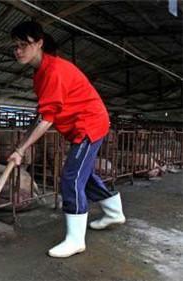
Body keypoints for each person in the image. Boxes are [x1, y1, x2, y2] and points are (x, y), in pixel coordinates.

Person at [7, 21, 126, 258]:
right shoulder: (40, 74)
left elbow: (47, 119)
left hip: (89, 124)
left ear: (39, 43)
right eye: (15, 46)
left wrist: (22, 149)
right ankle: (114, 213)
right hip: (80, 127)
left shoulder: (54, 71)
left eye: (24, 44)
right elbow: (42, 113)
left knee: (70, 178)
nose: (18, 50)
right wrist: (21, 146)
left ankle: (75, 240)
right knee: (84, 174)